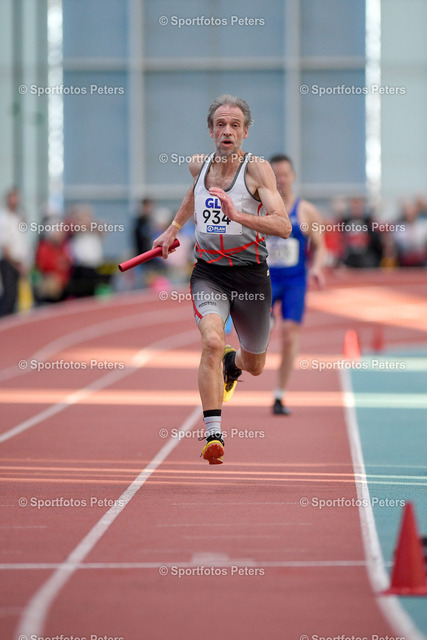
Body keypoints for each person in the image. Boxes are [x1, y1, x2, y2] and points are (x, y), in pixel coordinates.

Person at [153, 94, 291, 465]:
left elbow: (283, 226)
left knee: (255, 364)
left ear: (245, 132)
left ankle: (233, 366)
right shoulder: (199, 166)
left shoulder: (257, 170)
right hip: (209, 272)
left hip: (251, 276)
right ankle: (214, 434)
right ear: (211, 131)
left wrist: (238, 215)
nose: (227, 130)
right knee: (213, 341)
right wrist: (173, 229)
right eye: (220, 124)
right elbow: (193, 195)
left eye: (234, 125)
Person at [266, 155, 326, 415]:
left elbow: (320, 245)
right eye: (275, 175)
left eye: (284, 175)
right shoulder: (259, 210)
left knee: (290, 335)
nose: (280, 180)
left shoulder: (306, 211)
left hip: (294, 281)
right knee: (260, 333)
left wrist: (316, 268)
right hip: (265, 281)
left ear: (292, 176)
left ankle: (279, 395)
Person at [0, 188, 31, 316]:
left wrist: (24, 263)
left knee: (16, 298)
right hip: (9, 262)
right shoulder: (3, 218)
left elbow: (22, 242)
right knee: (9, 296)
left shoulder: (18, 217)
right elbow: (5, 245)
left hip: (20, 263)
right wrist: (15, 264)